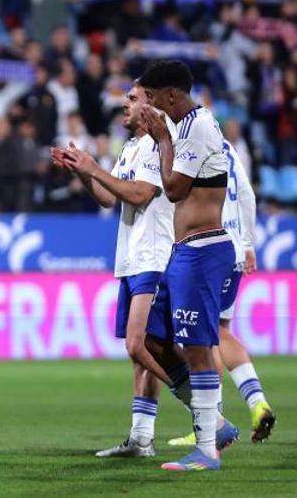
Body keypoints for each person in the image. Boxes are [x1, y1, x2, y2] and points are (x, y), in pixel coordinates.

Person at [51, 81, 175, 458]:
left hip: (155, 255)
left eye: (133, 99)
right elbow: (109, 198)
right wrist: (83, 172)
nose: (125, 105)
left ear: (150, 104)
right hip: (132, 257)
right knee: (142, 352)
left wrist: (94, 168)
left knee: (139, 344)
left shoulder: (158, 144)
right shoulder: (132, 147)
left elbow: (140, 193)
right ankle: (141, 438)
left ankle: (208, 415)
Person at [138, 60, 240, 472]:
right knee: (154, 339)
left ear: (171, 95)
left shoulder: (195, 126)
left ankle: (206, 450)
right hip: (185, 252)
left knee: (198, 349)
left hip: (204, 250)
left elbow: (176, 189)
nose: (150, 104)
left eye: (152, 97)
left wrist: (162, 140)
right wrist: (164, 137)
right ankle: (213, 427)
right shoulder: (186, 127)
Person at [168, 140, 276, 448]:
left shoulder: (186, 145)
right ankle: (257, 402)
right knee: (221, 331)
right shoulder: (226, 147)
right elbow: (247, 195)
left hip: (206, 247)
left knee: (200, 338)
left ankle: (211, 422)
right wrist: (248, 243)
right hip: (233, 248)